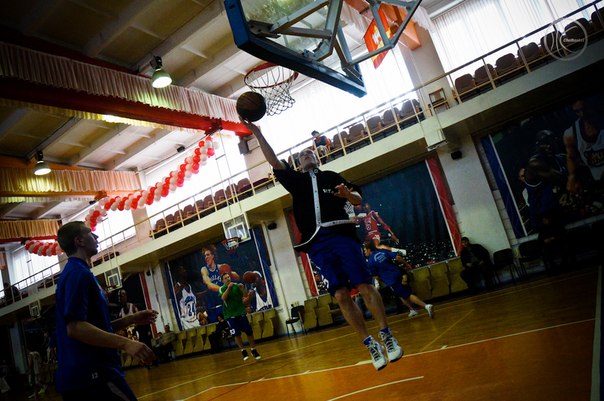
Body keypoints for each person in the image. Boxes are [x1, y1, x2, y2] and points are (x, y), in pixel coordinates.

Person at [243, 120, 402, 371]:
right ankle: (369, 343)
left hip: (341, 235)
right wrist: (257, 134)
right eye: (302, 154)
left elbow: (357, 198)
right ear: (298, 164)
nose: (306, 154)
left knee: (364, 285)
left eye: (310, 152)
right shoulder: (296, 181)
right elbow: (273, 160)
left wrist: (347, 195)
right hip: (317, 243)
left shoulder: (332, 177)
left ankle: (386, 334)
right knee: (340, 294)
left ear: (318, 158)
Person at [55, 221, 157, 401]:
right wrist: (126, 343)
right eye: (90, 232)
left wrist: (131, 319)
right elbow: (75, 328)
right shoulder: (78, 274)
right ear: (79, 241)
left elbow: (94, 328)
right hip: (94, 376)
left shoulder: (77, 272)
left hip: (84, 378)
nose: (96, 236)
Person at [364, 241, 433, 318]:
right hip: (398, 274)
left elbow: (376, 277)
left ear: (369, 249)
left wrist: (383, 280)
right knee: (400, 294)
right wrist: (406, 264)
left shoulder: (370, 261)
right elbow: (398, 257)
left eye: (365, 250)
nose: (364, 252)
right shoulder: (383, 252)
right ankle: (412, 310)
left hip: (391, 280)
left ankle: (426, 306)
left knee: (407, 295)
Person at [523, 130, 568, 231]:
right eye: (545, 143)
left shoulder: (561, 159)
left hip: (562, 212)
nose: (549, 146)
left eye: (551, 142)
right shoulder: (535, 164)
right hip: (544, 221)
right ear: (538, 145)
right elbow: (564, 180)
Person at [563, 97, 603, 194]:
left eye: (585, 109)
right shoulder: (571, 134)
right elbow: (571, 157)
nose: (583, 114)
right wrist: (572, 176)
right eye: (578, 111)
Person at [218, 272, 261, 361]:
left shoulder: (237, 286)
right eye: (225, 278)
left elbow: (245, 300)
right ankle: (243, 350)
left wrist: (246, 292)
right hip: (230, 315)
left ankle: (253, 349)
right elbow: (223, 298)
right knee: (236, 334)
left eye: (228, 277)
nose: (228, 278)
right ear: (222, 281)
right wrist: (229, 288)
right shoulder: (222, 288)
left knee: (249, 332)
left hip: (241, 313)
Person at [200, 245, 239, 322]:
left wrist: (230, 273)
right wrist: (224, 290)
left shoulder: (221, 267)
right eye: (205, 256)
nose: (206, 257)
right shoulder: (204, 269)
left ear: (213, 256)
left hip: (223, 302)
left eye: (208, 255)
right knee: (216, 325)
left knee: (230, 322)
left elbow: (237, 277)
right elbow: (209, 285)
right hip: (212, 304)